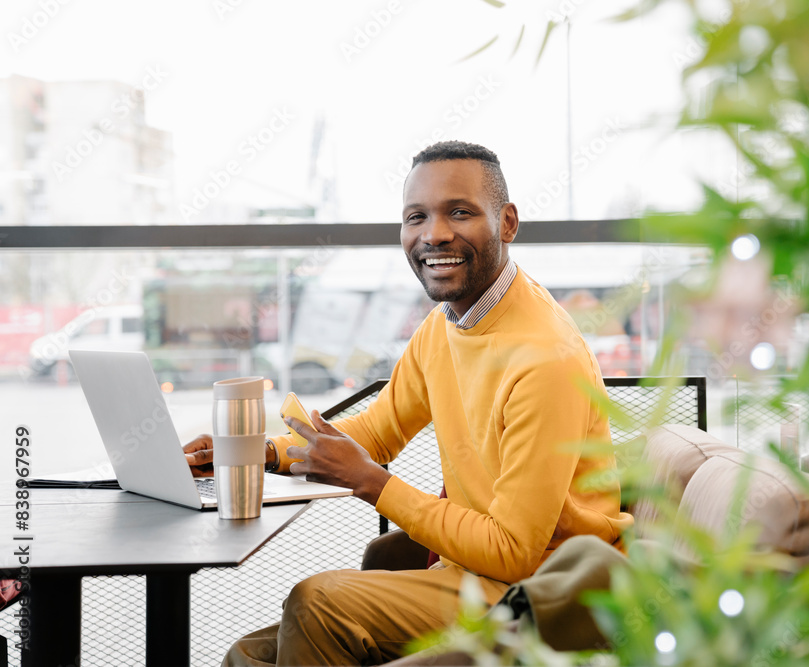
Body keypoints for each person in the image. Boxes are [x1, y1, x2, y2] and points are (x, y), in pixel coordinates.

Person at [184, 141, 633, 665]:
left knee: (318, 604)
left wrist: (372, 483)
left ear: (507, 222)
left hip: (539, 595)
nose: (434, 234)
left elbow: (513, 552)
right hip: (466, 574)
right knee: (249, 655)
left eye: (459, 212)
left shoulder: (545, 358)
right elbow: (377, 430)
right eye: (415, 216)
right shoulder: (446, 325)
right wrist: (258, 452)